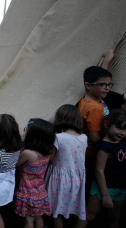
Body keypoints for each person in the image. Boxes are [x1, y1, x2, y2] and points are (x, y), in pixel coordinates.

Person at [76, 109, 126, 228]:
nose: (122, 132)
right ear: (107, 125)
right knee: (89, 216)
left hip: (120, 188)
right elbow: (99, 171)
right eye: (119, 128)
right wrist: (105, 195)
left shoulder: (123, 142)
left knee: (114, 217)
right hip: (103, 188)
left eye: (125, 129)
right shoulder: (105, 147)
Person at [45, 104, 88, 228]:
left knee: (56, 209)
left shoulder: (58, 138)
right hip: (76, 180)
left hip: (59, 179)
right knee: (67, 205)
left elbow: (49, 158)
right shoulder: (84, 138)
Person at [78, 65, 114, 196]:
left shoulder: (87, 98)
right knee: (89, 187)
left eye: (109, 84)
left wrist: (107, 59)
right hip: (91, 153)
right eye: (103, 85)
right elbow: (94, 137)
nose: (107, 88)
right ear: (88, 85)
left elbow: (99, 79)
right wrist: (109, 150)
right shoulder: (94, 108)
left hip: (83, 151)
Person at [14, 119, 56, 228]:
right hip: (40, 192)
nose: (25, 131)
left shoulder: (28, 154)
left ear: (33, 135)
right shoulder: (49, 151)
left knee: (29, 220)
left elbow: (15, 164)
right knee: (38, 217)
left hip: (27, 193)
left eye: (27, 130)